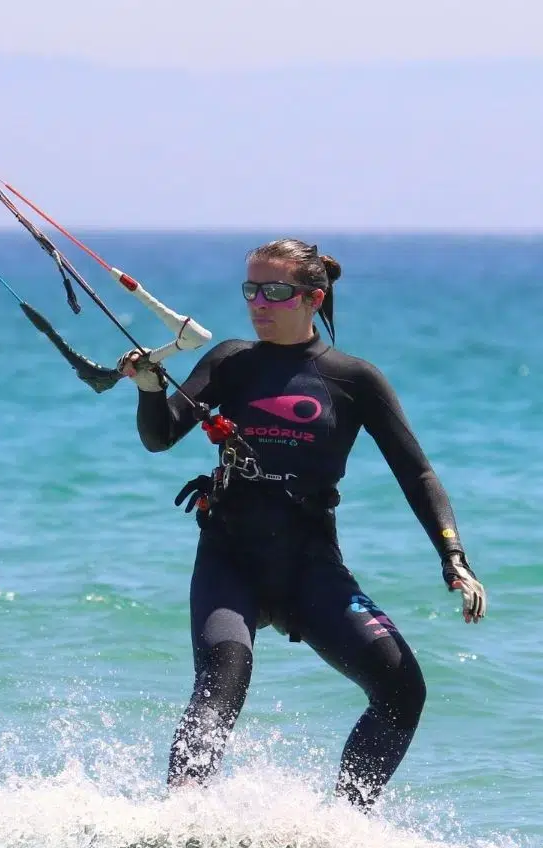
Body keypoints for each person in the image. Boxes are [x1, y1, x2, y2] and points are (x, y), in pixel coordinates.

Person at [117, 238, 487, 809]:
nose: (258, 303)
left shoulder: (353, 379)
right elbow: (161, 435)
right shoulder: (231, 362)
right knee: (222, 682)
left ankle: (344, 823)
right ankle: (179, 819)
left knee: (401, 689)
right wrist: (149, 388)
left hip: (310, 565)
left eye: (275, 291)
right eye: (250, 290)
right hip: (231, 558)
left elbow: (417, 474)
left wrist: (453, 557)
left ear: (313, 298)